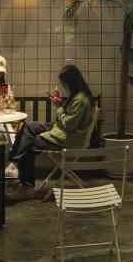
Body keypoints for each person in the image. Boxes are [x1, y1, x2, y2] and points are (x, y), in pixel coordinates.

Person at [7, 64, 95, 201]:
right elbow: (68, 117)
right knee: (29, 126)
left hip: (67, 137)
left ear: (71, 82)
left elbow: (69, 125)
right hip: (60, 130)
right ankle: (14, 162)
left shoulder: (81, 100)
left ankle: (26, 186)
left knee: (30, 143)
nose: (64, 86)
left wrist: (59, 108)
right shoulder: (78, 95)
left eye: (64, 83)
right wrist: (60, 103)